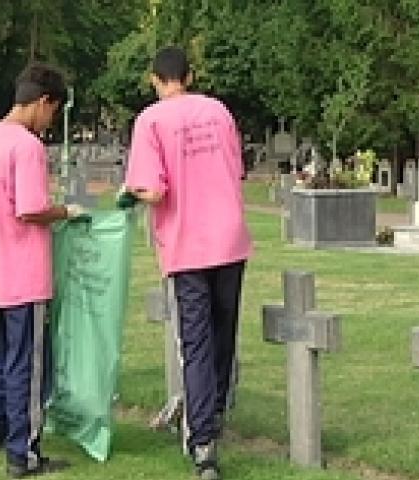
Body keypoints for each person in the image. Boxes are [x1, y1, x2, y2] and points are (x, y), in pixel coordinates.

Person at [122, 46, 253, 480]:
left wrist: (132, 191)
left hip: (187, 242)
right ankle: (214, 412)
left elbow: (154, 190)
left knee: (195, 341)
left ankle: (202, 442)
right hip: (229, 237)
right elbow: (235, 169)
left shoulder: (151, 120)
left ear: (154, 79)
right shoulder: (218, 111)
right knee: (222, 334)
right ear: (190, 76)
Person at [0, 62, 86, 479]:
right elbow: (31, 208)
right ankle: (25, 453)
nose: (50, 121)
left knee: (1, 355)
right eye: (52, 112)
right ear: (43, 102)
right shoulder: (26, 145)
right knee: (28, 365)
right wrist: (66, 212)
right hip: (24, 273)